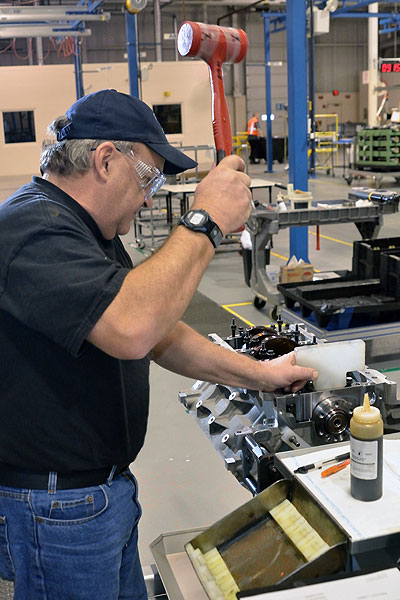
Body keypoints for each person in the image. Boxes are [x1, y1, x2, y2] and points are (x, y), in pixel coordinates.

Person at [0, 89, 318, 600]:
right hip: (57, 511)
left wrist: (260, 374)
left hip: (98, 496)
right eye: (147, 178)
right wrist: (205, 220)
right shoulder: (35, 229)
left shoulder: (86, 230)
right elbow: (135, 327)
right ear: (105, 160)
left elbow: (160, 332)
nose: (150, 198)